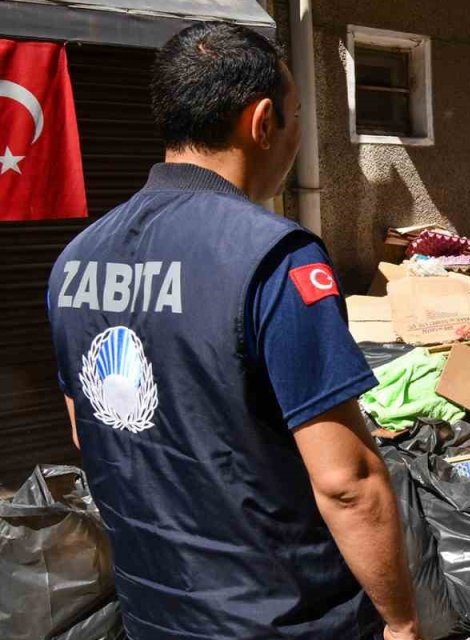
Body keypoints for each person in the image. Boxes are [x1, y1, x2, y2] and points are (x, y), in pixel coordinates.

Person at [45, 24, 418, 639]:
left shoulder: (76, 259)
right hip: (286, 618)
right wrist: (402, 622)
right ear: (263, 122)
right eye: (297, 116)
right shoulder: (276, 258)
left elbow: (90, 432)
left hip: (153, 611)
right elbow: (346, 483)